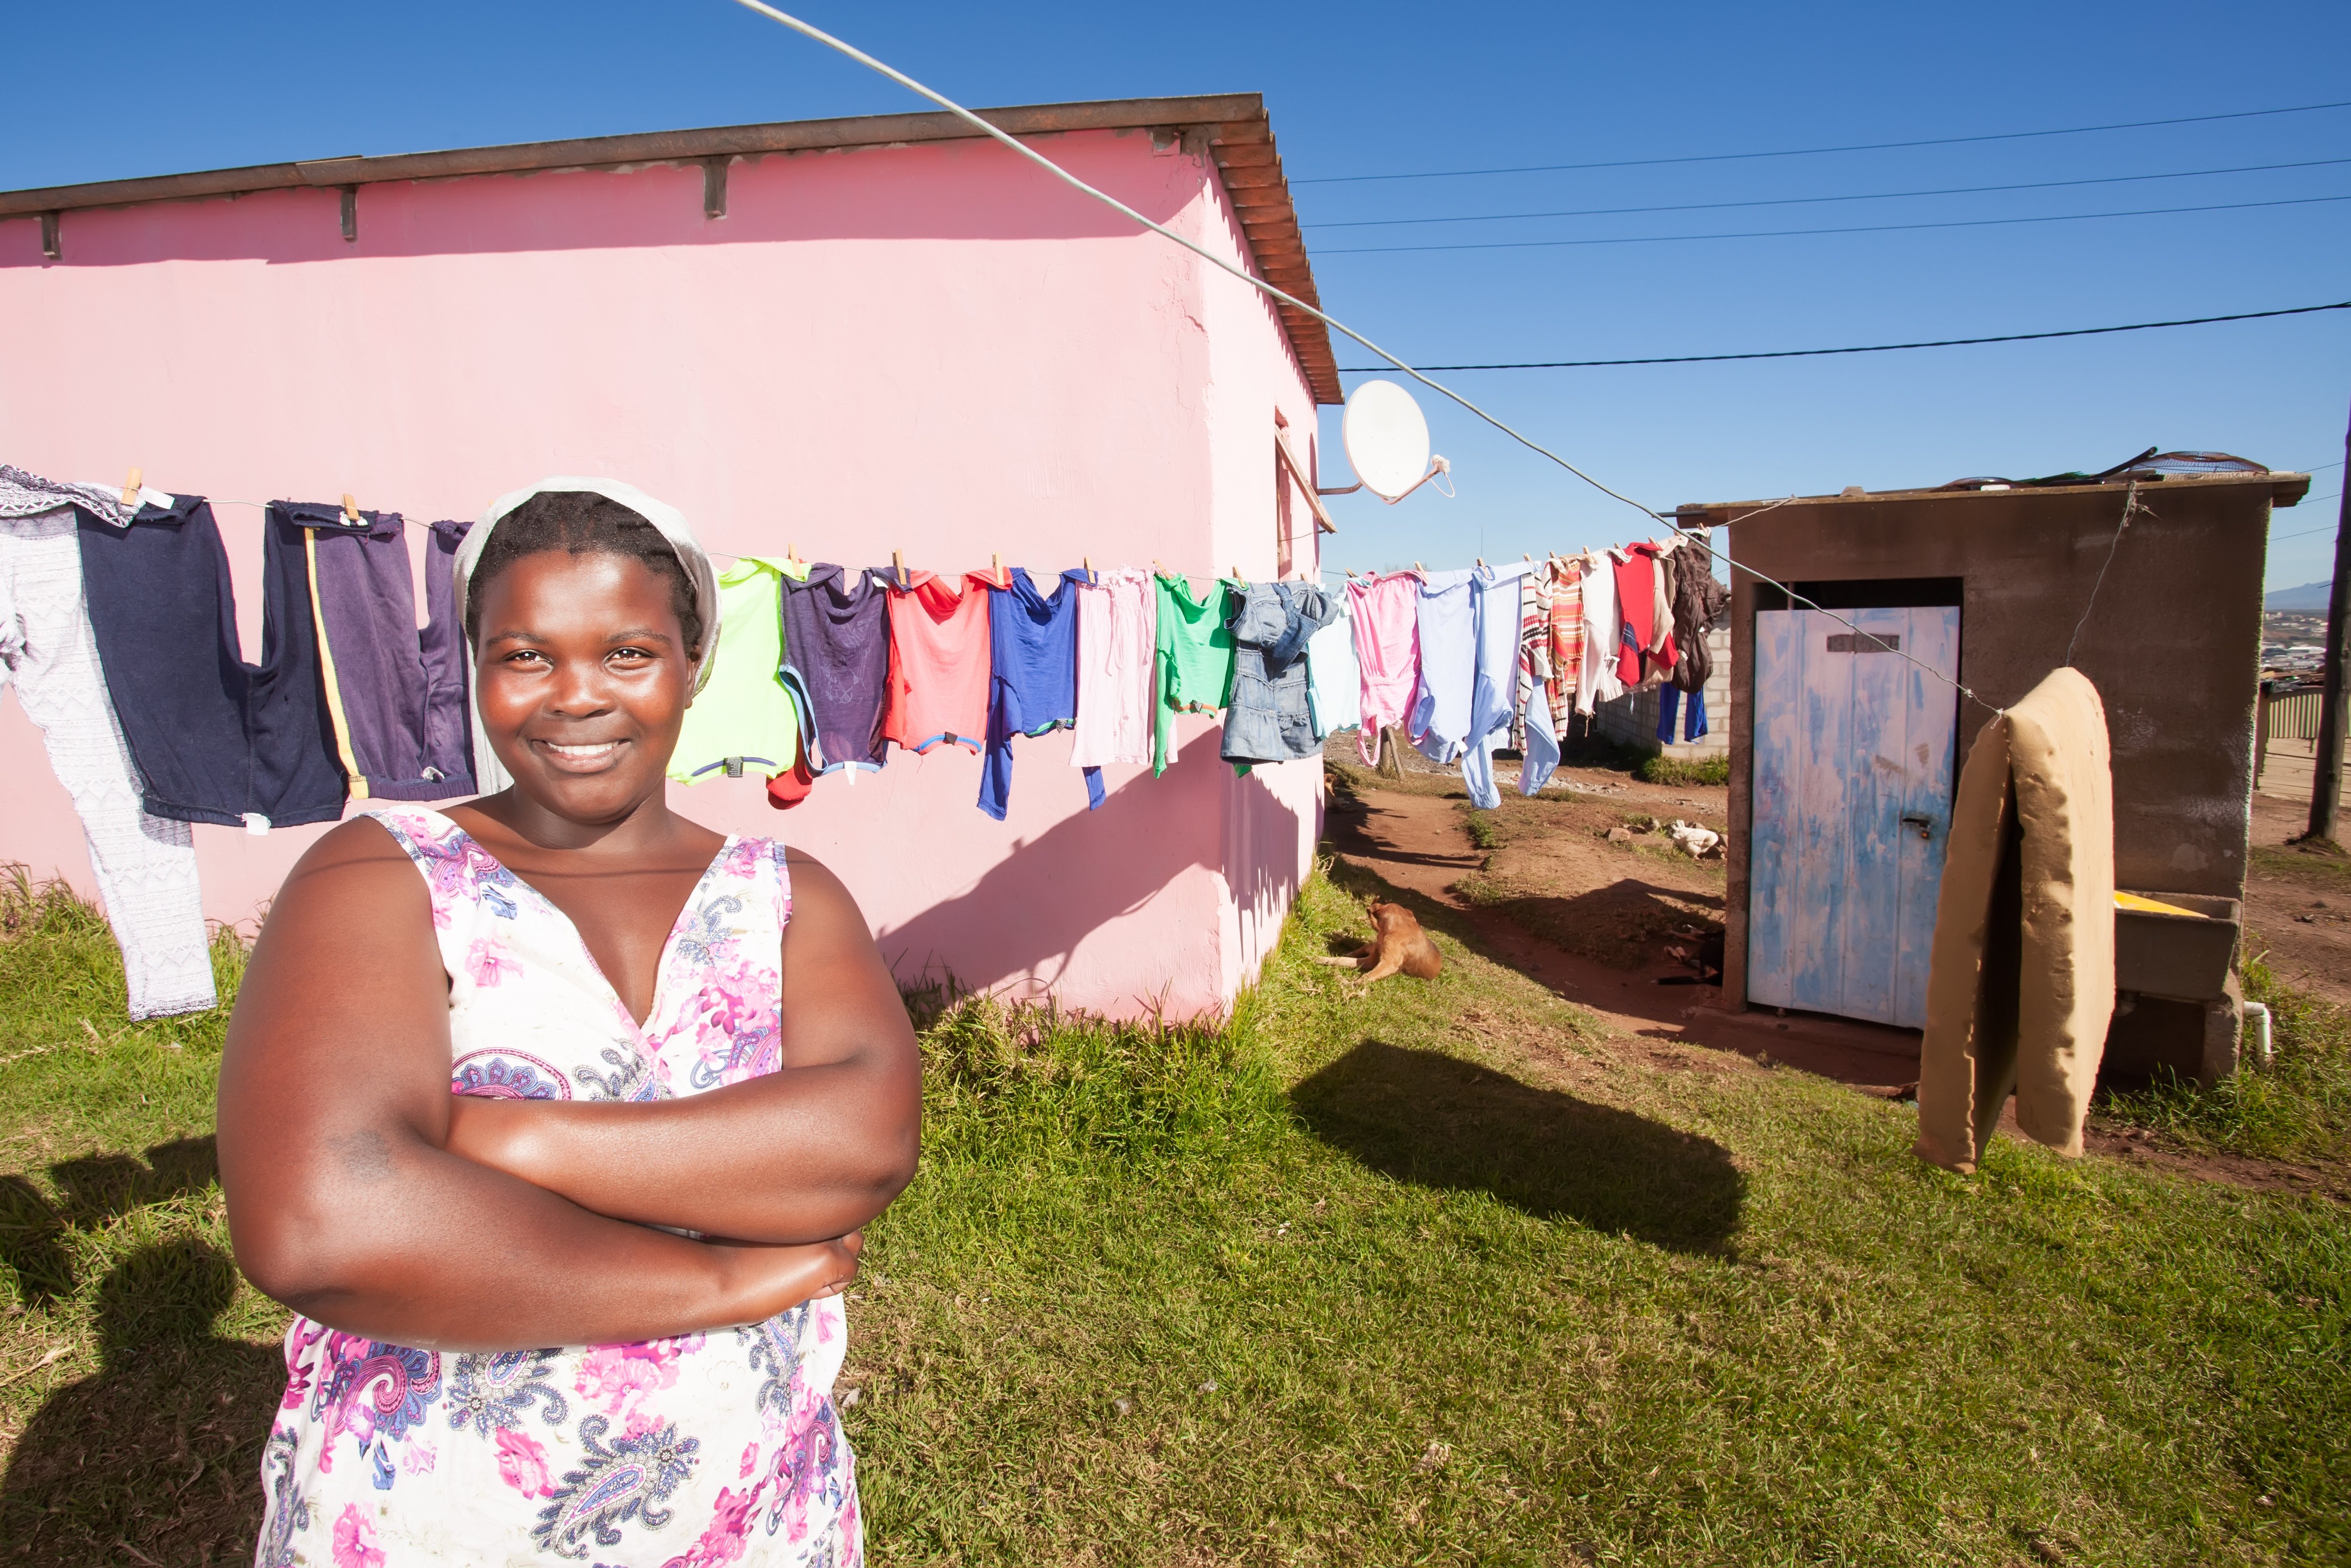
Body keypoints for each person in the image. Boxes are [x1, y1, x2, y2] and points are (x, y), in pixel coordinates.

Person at [217, 481, 920, 1567]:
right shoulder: (379, 872)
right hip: (443, 1517)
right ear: (477, 667)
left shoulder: (789, 895)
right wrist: (720, 1281)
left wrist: (499, 1136)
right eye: (526, 656)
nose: (575, 697)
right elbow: (325, 1222)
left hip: (755, 1508)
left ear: (693, 663)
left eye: (628, 653)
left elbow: (860, 1143)